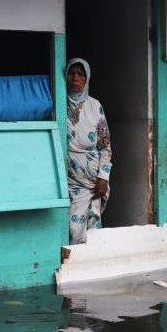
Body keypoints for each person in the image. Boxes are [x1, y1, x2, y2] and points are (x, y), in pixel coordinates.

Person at [66, 58, 112, 244]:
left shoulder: (95, 106)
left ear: (87, 78)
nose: (75, 78)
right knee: (72, 227)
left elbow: (105, 146)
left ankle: (89, 266)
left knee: (93, 227)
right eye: (71, 73)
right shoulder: (58, 105)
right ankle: (72, 263)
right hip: (70, 181)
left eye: (80, 74)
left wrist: (103, 178)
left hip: (93, 182)